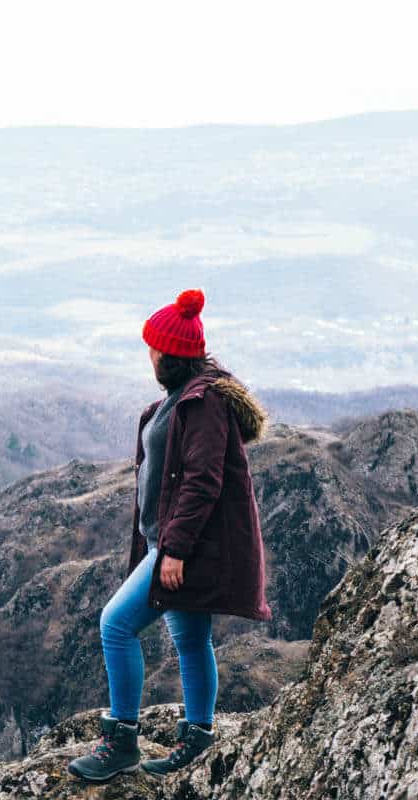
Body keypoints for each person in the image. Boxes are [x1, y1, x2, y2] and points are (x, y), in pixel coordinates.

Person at [68, 288, 273, 783]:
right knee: (189, 638)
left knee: (115, 625)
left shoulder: (202, 405)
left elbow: (203, 480)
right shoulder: (183, 397)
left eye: (155, 349)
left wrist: (175, 550)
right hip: (176, 542)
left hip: (183, 546)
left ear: (173, 355)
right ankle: (198, 738)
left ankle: (121, 741)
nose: (150, 356)